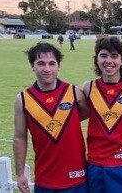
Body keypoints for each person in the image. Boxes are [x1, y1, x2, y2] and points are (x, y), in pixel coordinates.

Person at [13, 42, 88, 193]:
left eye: (52, 63)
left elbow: (86, 114)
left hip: (77, 177)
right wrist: (20, 174)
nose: (47, 69)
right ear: (32, 66)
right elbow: (19, 138)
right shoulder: (23, 99)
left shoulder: (74, 92)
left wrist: (60, 122)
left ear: (58, 66)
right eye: (41, 63)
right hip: (45, 180)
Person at [82, 37, 122, 192]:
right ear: (97, 59)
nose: (109, 61)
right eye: (103, 56)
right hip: (96, 162)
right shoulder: (88, 87)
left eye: (114, 56)